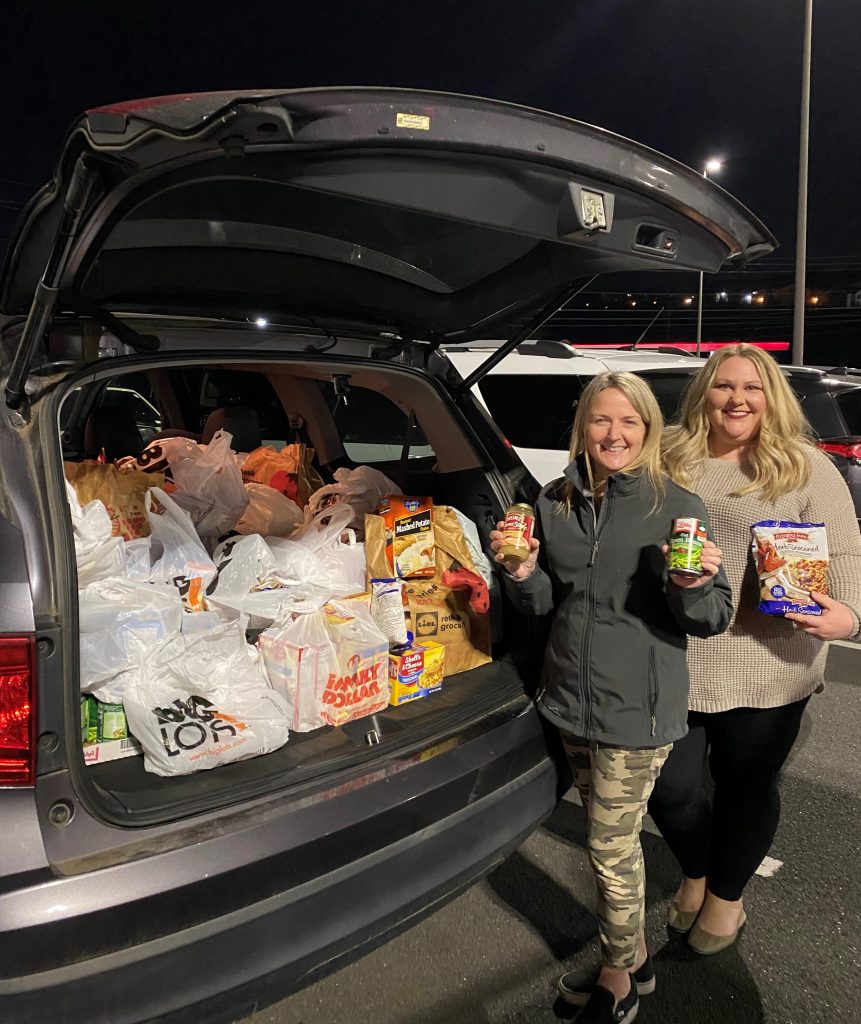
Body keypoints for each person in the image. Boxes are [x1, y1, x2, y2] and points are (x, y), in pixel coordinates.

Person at [490, 372, 732, 1024]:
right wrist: (519, 574)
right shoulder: (554, 501)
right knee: (614, 843)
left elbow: (710, 617)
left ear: (648, 430)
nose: (614, 434)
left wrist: (690, 584)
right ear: (583, 427)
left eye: (629, 422)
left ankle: (619, 975)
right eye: (601, 420)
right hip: (568, 699)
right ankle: (633, 955)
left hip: (637, 709)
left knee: (608, 848)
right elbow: (546, 605)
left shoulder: (677, 505)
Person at [649, 344, 861, 955]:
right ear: (703, 396)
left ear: (772, 397)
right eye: (723, 387)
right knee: (671, 786)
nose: (736, 400)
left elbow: (844, 554)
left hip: (771, 663)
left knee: (747, 784)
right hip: (677, 656)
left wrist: (847, 615)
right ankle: (695, 870)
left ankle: (726, 896)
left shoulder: (805, 466)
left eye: (752, 388)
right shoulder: (669, 459)